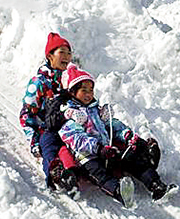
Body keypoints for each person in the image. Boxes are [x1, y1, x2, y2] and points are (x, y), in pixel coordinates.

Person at [58, 63, 172, 207]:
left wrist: (127, 136)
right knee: (99, 174)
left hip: (109, 151)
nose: (88, 94)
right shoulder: (70, 115)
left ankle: (156, 186)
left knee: (131, 159)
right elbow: (77, 140)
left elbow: (113, 126)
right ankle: (119, 192)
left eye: (91, 90)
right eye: (83, 90)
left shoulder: (97, 110)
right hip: (88, 157)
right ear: (73, 92)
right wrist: (99, 148)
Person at [20, 33, 79, 194]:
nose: (66, 56)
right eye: (62, 52)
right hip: (46, 130)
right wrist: (33, 140)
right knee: (52, 149)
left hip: (67, 128)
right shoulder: (38, 82)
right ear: (50, 56)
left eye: (69, 53)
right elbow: (26, 114)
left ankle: (72, 174)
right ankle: (56, 172)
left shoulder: (69, 80)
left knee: (72, 150)